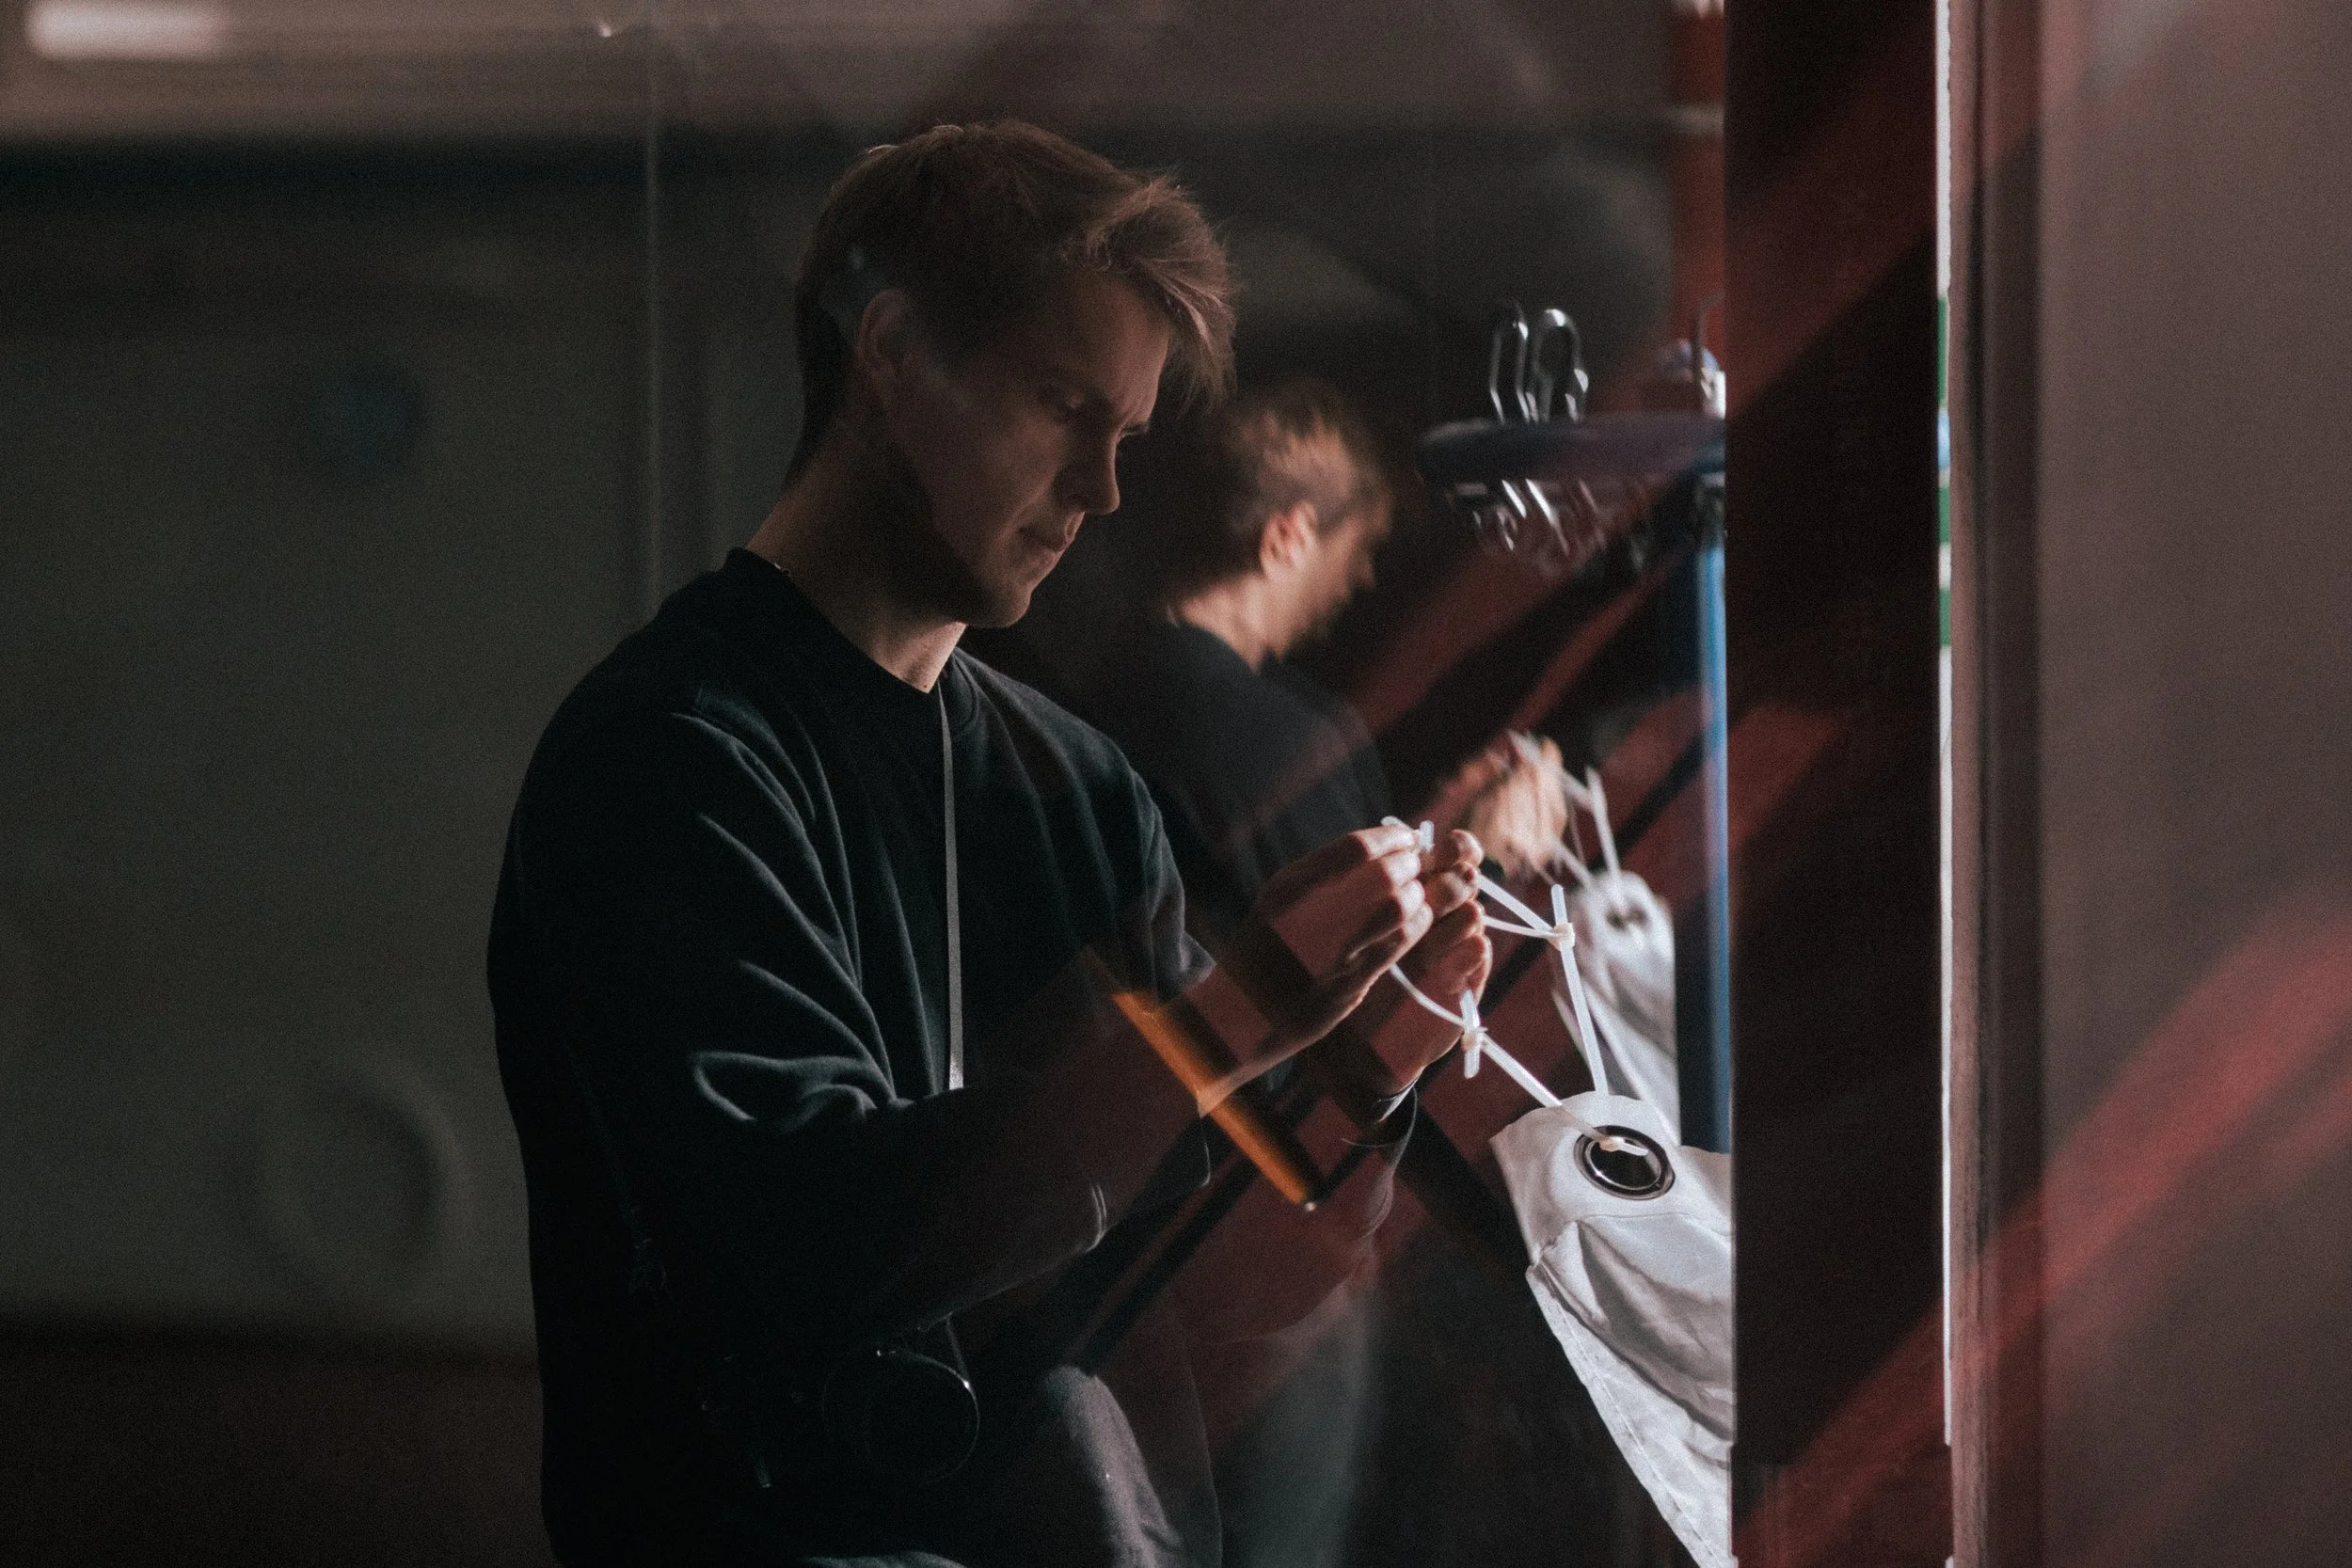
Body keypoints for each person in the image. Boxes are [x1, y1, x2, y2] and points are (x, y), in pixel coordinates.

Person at [486, 122, 1490, 1568]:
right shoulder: (669, 758)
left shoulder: (1082, 787)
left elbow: (1199, 1313)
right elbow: (810, 1246)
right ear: (889, 352)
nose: (1105, 491)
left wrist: (1362, 1063)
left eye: (1127, 434)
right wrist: (1229, 1019)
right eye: (1064, 406)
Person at [1076, 379, 1566, 1568]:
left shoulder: (1091, 708)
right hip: (1269, 1260)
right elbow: (1349, 994)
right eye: (1354, 550)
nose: (1353, 585)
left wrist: (1434, 831)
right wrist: (1484, 854)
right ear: (1288, 531)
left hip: (1120, 1255)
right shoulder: (1272, 730)